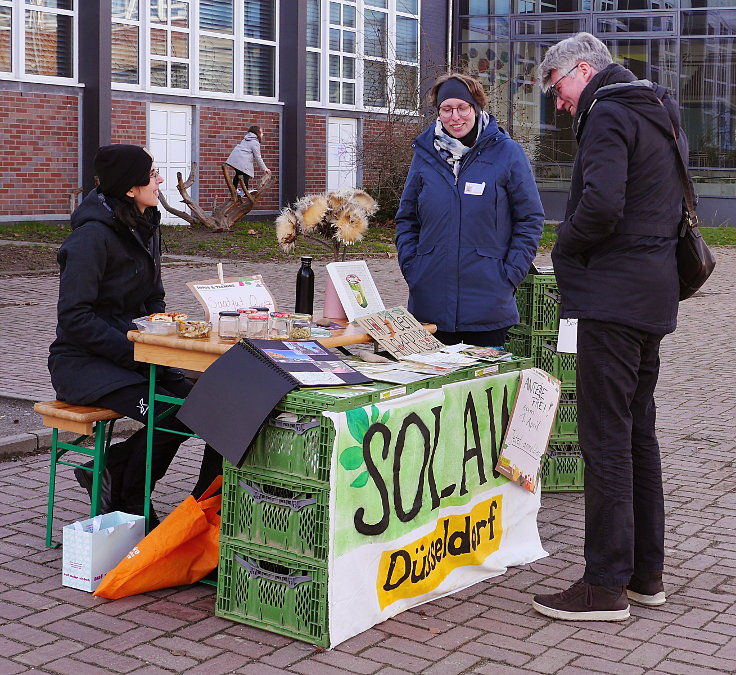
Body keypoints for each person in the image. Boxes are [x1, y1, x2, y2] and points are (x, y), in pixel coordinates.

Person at [531, 33, 683, 621]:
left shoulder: (606, 113)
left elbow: (600, 206)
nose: (559, 102)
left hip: (613, 301)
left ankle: (604, 585)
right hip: (653, 296)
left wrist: (564, 248)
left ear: (583, 69)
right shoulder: (657, 110)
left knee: (605, 439)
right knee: (637, 433)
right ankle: (647, 574)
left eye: (558, 87)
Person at [48, 144, 222, 526]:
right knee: (174, 412)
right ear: (130, 188)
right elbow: (75, 317)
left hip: (139, 357)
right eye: (152, 174)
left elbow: (153, 298)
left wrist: (166, 331)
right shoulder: (91, 238)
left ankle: (113, 473)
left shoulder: (145, 225)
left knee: (210, 403)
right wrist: (138, 352)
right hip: (86, 365)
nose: (159, 179)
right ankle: (129, 498)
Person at [395, 73, 544, 348]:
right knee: (436, 388)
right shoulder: (425, 154)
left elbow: (530, 219)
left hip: (488, 302)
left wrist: (509, 274)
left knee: (482, 387)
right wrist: (414, 268)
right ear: (438, 112)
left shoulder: (507, 153)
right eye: (446, 109)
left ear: (476, 107)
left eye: (462, 108)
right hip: (431, 302)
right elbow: (407, 218)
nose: (455, 117)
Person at [225, 124, 271, 196]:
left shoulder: (245, 139)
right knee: (246, 175)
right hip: (241, 160)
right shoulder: (255, 143)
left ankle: (234, 189)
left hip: (235, 159)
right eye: (261, 133)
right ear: (257, 133)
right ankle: (245, 191)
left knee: (238, 173)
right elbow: (258, 157)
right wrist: (265, 168)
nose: (263, 134)